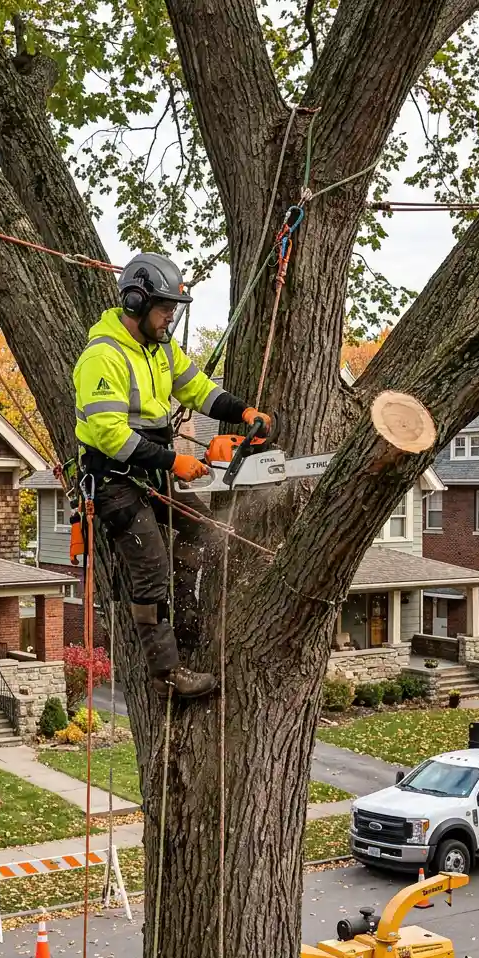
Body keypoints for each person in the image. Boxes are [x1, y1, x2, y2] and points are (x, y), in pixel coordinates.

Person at [74, 252, 271, 699]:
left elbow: (197, 388)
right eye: (164, 310)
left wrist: (242, 411)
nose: (169, 319)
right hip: (116, 481)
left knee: (202, 530)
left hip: (153, 472)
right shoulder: (101, 357)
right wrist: (173, 461)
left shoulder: (159, 348)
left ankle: (184, 623)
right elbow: (108, 434)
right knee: (152, 569)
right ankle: (165, 676)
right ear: (135, 302)